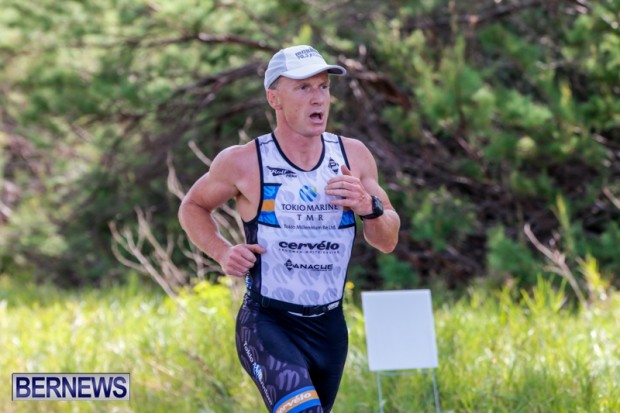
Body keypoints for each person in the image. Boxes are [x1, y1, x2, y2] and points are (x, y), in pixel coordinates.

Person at [178, 44, 400, 413]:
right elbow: (193, 206)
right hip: (269, 323)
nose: (318, 98)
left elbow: (387, 240)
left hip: (329, 328)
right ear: (274, 98)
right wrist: (222, 251)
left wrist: (369, 207)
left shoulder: (353, 156)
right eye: (303, 87)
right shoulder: (244, 161)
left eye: (323, 87)